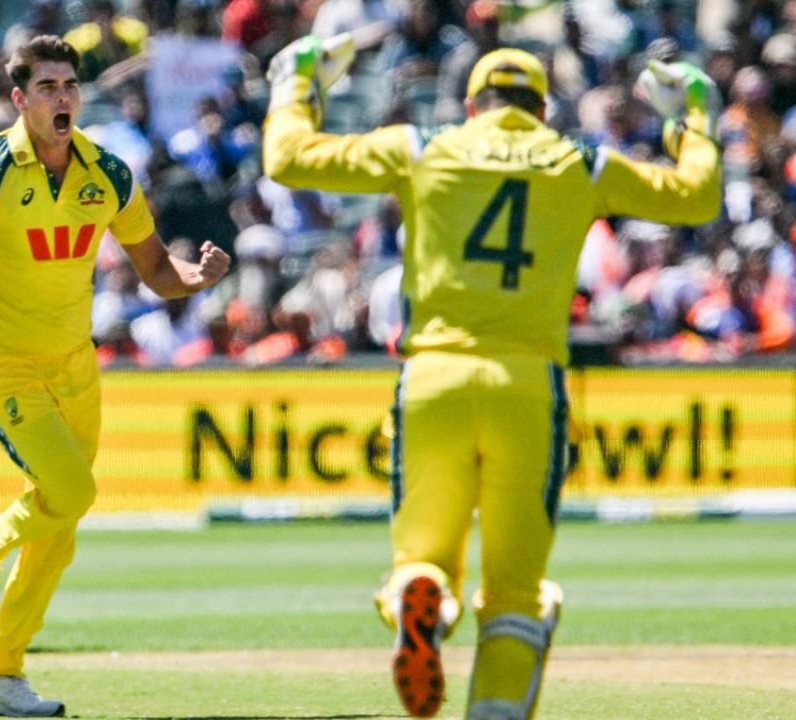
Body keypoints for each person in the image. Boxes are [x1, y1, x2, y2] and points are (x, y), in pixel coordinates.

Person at [263, 41, 720, 719]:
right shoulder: (578, 160)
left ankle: (423, 597)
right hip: (527, 382)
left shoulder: (422, 146)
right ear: (542, 108)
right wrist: (695, 115)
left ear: (473, 104)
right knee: (516, 593)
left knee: (420, 557)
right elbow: (696, 196)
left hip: (432, 379)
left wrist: (296, 83)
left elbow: (289, 159)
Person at [0, 35, 229, 718]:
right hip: (4, 364)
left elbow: (158, 270)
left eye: (70, 85)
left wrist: (198, 277)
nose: (63, 97)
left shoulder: (107, 173)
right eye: (47, 87)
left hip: (75, 365)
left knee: (61, 526)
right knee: (71, 490)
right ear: (19, 101)